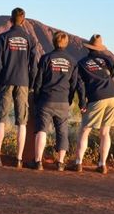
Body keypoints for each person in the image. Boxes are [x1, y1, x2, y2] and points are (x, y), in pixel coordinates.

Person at [0, 7, 39, 168]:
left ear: (11, 20)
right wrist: (31, 82)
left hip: (6, 80)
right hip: (23, 82)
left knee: (1, 118)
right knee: (22, 121)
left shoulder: (4, 37)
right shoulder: (29, 39)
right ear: (23, 20)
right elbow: (34, 65)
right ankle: (18, 159)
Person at [74, 34, 114, 174]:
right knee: (105, 132)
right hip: (113, 96)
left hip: (96, 97)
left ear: (89, 48)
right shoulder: (108, 59)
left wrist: (82, 102)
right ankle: (102, 164)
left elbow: (80, 84)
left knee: (85, 130)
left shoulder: (82, 63)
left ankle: (78, 163)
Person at [32, 31, 80, 171]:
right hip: (63, 101)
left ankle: (38, 162)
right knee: (62, 131)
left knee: (42, 130)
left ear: (53, 42)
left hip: (46, 100)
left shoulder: (46, 58)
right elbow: (74, 84)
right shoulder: (72, 61)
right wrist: (69, 99)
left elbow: (38, 81)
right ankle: (60, 163)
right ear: (66, 43)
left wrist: (37, 97)